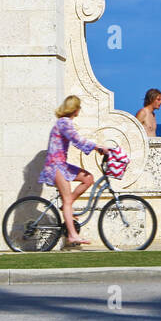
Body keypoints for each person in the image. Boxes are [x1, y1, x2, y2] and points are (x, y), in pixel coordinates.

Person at [38, 95, 111, 245]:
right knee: (67, 201)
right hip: (55, 166)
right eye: (79, 107)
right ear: (75, 109)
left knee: (88, 178)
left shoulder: (64, 122)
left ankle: (67, 205)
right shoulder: (64, 123)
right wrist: (97, 147)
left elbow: (77, 141)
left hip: (61, 165)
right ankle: (72, 235)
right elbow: (77, 139)